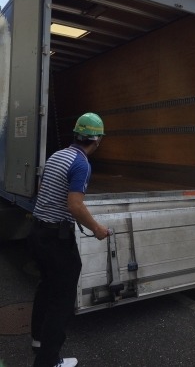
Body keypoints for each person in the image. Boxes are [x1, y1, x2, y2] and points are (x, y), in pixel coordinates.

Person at [28, 112, 109, 367]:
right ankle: (48, 361)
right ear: (96, 140)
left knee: (47, 285)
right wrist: (96, 228)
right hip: (56, 238)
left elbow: (44, 190)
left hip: (38, 232)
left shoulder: (58, 155)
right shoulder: (82, 163)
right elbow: (75, 206)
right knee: (62, 298)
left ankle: (38, 339)